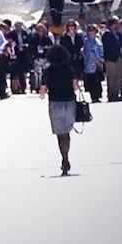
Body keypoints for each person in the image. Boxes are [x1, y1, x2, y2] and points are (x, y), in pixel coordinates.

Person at [39, 45, 79, 175]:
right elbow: (76, 87)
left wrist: (43, 93)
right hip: (69, 101)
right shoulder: (70, 69)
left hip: (55, 102)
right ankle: (66, 156)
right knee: (67, 132)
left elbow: (42, 90)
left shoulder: (48, 70)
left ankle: (64, 157)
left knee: (60, 134)